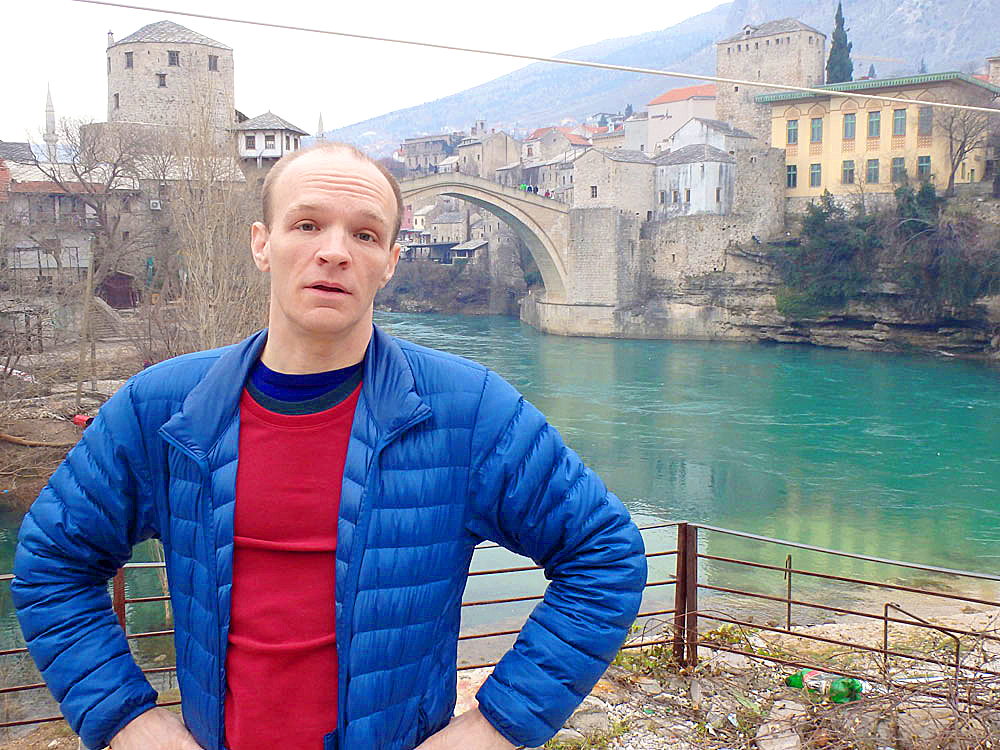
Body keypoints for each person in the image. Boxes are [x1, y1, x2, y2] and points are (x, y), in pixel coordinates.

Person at [13, 143, 646, 750]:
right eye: (307, 225)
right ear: (262, 244)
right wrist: (127, 718)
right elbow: (52, 564)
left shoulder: (469, 410)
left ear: (391, 261)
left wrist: (497, 725)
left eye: (365, 235)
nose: (335, 252)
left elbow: (605, 555)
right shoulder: (163, 407)